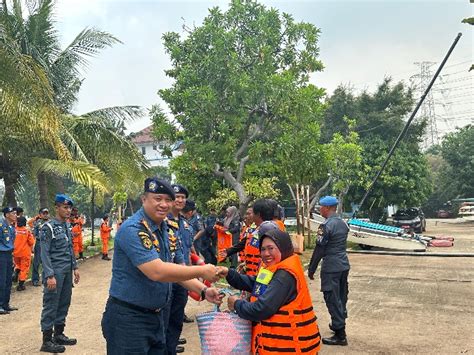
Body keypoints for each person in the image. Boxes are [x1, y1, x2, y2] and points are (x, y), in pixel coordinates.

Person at [101, 177, 223, 355]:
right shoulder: (133, 229)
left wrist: (203, 290)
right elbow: (157, 271)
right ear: (144, 199)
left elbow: (176, 269)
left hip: (157, 316)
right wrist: (203, 270)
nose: (164, 204)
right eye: (158, 199)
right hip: (129, 319)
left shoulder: (166, 230)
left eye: (168, 200)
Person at [218, 228, 321, 354]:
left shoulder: (285, 276)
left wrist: (236, 304)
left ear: (283, 247)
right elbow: (255, 284)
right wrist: (229, 274)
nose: (266, 253)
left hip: (291, 348)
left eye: (271, 248)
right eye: (263, 249)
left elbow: (262, 309)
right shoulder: (272, 268)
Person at [39, 194, 80, 353]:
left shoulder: (66, 226)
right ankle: (46, 341)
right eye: (65, 207)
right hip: (55, 272)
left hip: (66, 271)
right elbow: (44, 253)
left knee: (64, 302)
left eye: (69, 207)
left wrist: (75, 267)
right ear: (57, 208)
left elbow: (70, 248)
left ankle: (59, 334)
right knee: (51, 304)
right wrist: (49, 275)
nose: (68, 210)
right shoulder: (47, 227)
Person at [308, 196, 350, 346]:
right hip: (343, 265)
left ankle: (340, 334)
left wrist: (311, 269)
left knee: (332, 297)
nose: (320, 209)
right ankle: (338, 322)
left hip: (331, 267)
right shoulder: (343, 224)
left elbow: (319, 250)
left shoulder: (325, 226)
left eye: (321, 207)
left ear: (326, 208)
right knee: (341, 296)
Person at [166, 183, 195, 354]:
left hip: (184, 275)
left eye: (183, 197)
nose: (180, 200)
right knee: (167, 312)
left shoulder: (185, 224)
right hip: (169, 275)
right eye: (177, 196)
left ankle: (172, 341)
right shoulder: (163, 221)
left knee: (178, 311)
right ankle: (167, 345)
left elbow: (187, 249)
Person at [220, 199, 274, 276]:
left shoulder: (269, 230)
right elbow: (245, 242)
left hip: (263, 272)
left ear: (258, 215)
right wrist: (229, 252)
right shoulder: (255, 229)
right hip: (251, 269)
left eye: (250, 214)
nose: (246, 216)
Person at [0, 207, 18, 315]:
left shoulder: (11, 228)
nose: (15, 215)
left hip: (8, 255)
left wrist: (11, 257)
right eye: (13, 213)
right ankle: (0, 305)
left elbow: (11, 243)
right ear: (7, 215)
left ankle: (6, 304)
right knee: (1, 280)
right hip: (1, 255)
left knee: (8, 280)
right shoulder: (1, 225)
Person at [13, 216, 35, 291]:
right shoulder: (27, 231)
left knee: (18, 264)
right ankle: (21, 285)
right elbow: (31, 242)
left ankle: (16, 272)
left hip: (15, 252)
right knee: (24, 268)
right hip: (25, 253)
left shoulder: (14, 230)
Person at [32, 207, 50, 286]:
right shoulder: (37, 223)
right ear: (40, 214)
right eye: (44, 213)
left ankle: (45, 279)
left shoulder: (51, 222)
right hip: (39, 243)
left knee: (46, 261)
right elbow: (34, 233)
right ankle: (35, 280)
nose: (46, 215)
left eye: (47, 213)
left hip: (48, 244)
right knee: (37, 262)